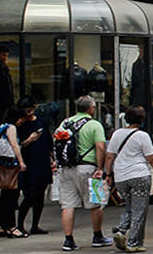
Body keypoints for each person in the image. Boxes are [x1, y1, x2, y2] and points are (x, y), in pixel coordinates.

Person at [107, 105, 153, 252]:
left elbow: (110, 156)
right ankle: (133, 242)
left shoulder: (116, 134)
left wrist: (108, 175)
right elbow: (152, 159)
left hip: (121, 176)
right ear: (142, 120)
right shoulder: (142, 136)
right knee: (139, 210)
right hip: (139, 176)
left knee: (129, 206)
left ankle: (121, 231)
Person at [54, 95, 109, 252]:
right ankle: (98, 236)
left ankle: (68, 240)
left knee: (68, 205)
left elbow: (56, 143)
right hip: (89, 169)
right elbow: (100, 147)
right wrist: (100, 168)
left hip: (66, 169)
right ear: (91, 109)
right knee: (95, 203)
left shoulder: (65, 123)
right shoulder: (94, 125)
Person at [16, 104, 54, 235]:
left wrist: (52, 158)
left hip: (42, 162)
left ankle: (35, 225)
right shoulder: (20, 124)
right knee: (29, 196)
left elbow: (49, 142)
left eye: (31, 108)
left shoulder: (41, 122)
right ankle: (20, 225)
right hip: (28, 164)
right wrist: (29, 140)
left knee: (39, 197)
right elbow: (18, 144)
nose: (29, 111)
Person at [0, 104, 26, 239]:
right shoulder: (11, 128)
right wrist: (21, 161)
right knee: (12, 196)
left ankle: (2, 226)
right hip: (12, 166)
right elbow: (14, 145)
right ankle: (12, 226)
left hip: (2, 165)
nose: (22, 121)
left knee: (4, 197)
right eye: (21, 118)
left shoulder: (2, 126)